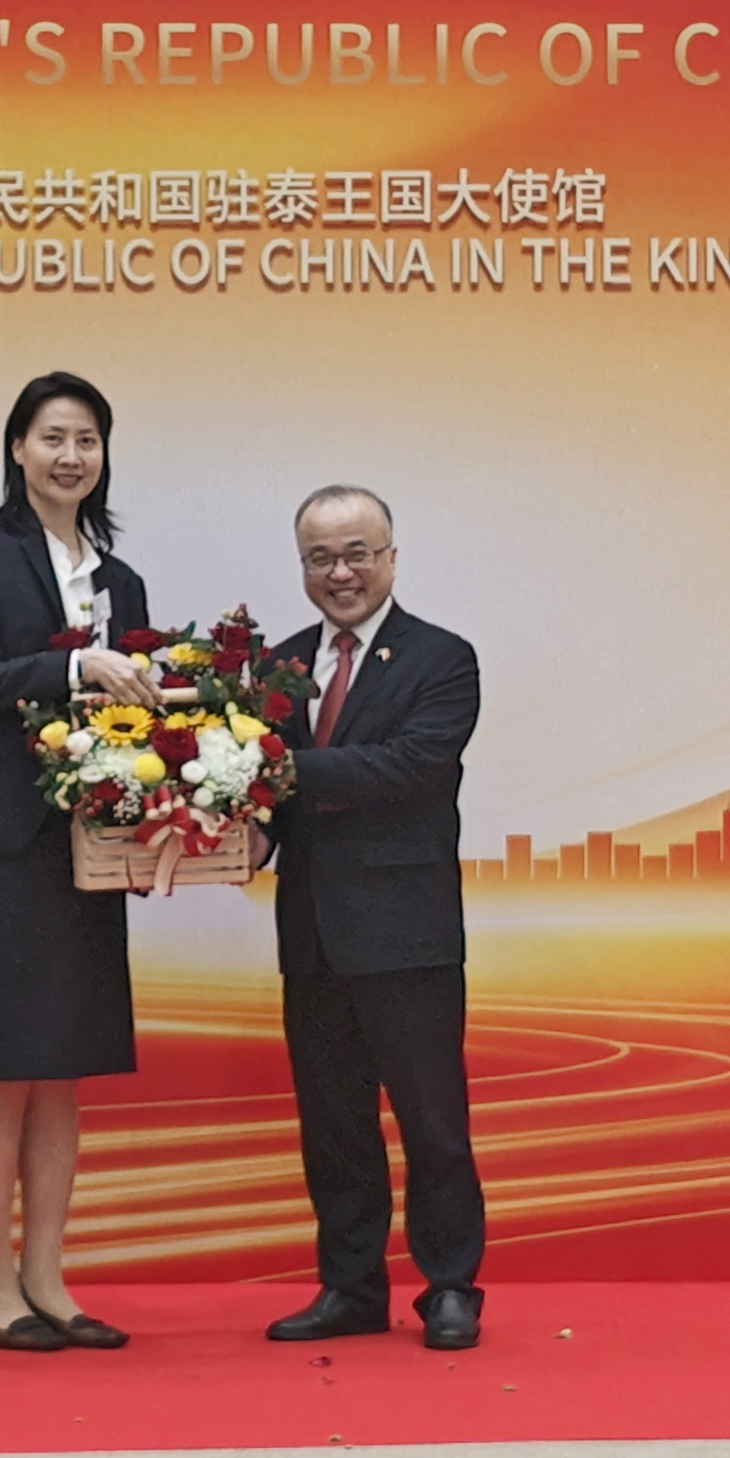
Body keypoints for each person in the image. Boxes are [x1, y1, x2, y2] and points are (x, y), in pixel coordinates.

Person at [0, 371, 158, 1353]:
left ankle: (48, 1278)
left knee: (64, 1072)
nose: (69, 456)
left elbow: (135, 710)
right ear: (17, 448)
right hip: (1, 839)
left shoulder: (120, 576)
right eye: (51, 437)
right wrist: (74, 666)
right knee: (5, 1070)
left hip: (84, 846)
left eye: (86, 439)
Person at [260, 484, 488, 1352]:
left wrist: (278, 768)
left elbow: (410, 764)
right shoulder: (277, 666)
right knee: (334, 1123)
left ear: (391, 556)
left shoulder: (442, 657)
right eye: (321, 557)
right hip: (313, 935)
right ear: (304, 568)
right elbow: (261, 801)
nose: (341, 572)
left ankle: (451, 1285)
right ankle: (351, 1286)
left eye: (357, 552)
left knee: (433, 1122)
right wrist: (210, 830)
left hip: (407, 936)